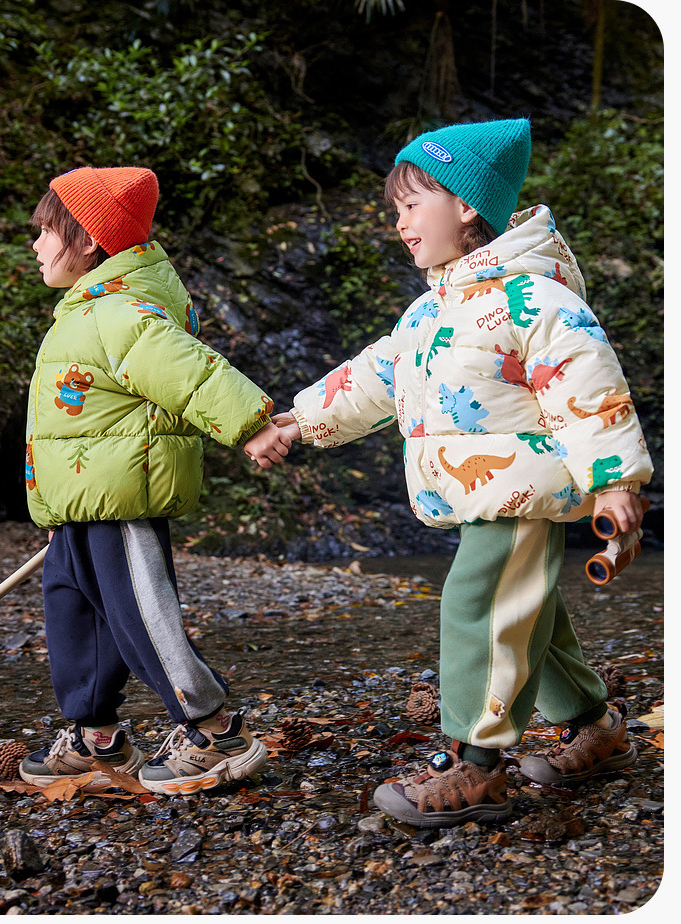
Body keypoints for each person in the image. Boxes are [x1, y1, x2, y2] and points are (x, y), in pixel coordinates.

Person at [273, 118, 653, 827]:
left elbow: (588, 387)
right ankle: (597, 726)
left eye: (412, 204)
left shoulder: (535, 299)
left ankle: (477, 765)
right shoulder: (430, 310)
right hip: (481, 491)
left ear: (467, 205)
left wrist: (615, 480)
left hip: (524, 492)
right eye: (396, 209)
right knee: (530, 613)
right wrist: (299, 420)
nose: (399, 223)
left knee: (476, 605)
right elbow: (374, 376)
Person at [19, 165, 292, 795]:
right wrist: (58, 505)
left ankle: (215, 731)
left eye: (45, 232)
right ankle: (96, 736)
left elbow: (189, 371)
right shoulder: (87, 309)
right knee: (74, 615)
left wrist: (250, 424)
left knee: (142, 615)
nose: (35, 245)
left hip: (122, 501)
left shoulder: (120, 312)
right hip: (81, 503)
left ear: (88, 240)